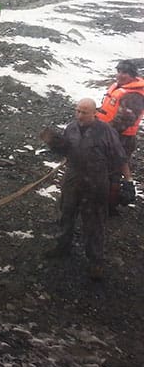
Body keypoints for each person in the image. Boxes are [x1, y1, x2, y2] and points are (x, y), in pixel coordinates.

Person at [39, 98, 127, 281]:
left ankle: (96, 261)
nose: (79, 115)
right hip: (72, 178)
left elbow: (119, 158)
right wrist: (55, 143)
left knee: (94, 222)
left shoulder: (106, 131)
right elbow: (67, 150)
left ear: (95, 113)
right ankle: (62, 247)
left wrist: (120, 180)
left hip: (95, 183)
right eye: (77, 111)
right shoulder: (71, 127)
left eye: (84, 112)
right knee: (66, 213)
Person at [97, 59, 144, 211]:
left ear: (132, 75)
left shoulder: (134, 96)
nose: (120, 75)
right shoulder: (120, 88)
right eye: (119, 71)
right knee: (104, 167)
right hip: (108, 133)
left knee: (113, 171)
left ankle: (109, 206)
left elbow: (124, 121)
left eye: (124, 72)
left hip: (121, 139)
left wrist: (100, 131)